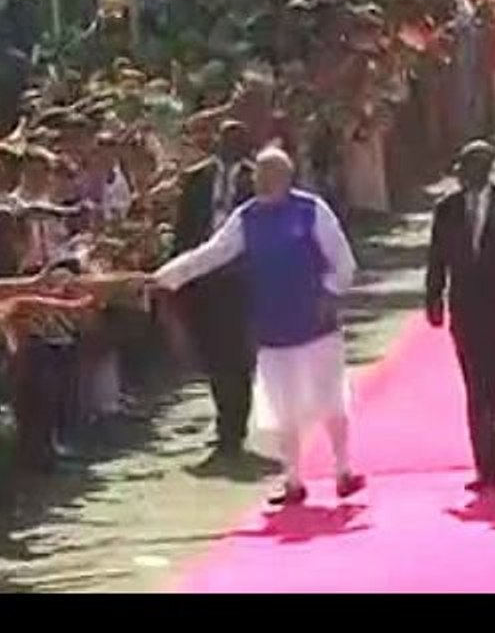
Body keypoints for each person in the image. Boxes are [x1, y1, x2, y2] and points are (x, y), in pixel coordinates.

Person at [153, 147, 365, 506]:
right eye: (258, 176)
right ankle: (293, 479)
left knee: (330, 397)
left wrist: (328, 293)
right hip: (272, 325)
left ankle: (343, 469)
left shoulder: (311, 210)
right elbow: (212, 252)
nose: (259, 181)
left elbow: (342, 261)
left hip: (317, 323)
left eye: (266, 175)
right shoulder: (246, 217)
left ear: (284, 176)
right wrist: (167, 276)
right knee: (283, 408)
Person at [425, 139, 495, 494]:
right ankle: (485, 467)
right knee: (475, 388)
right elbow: (437, 260)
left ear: (484, 169)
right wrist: (433, 300)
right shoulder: (447, 210)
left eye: (468, 168)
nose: (461, 176)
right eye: (460, 169)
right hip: (465, 312)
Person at [169, 120, 263, 466]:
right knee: (214, 352)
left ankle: (235, 424)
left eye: (237, 140)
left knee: (239, 353)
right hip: (206, 276)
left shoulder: (257, 179)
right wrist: (177, 273)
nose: (230, 145)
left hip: (242, 277)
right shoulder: (197, 179)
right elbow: (183, 230)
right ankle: (225, 417)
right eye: (225, 139)